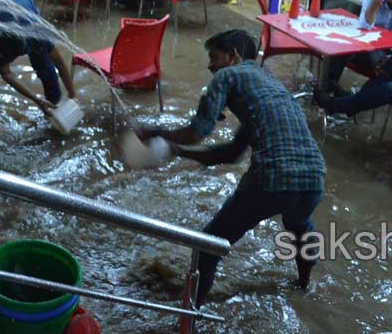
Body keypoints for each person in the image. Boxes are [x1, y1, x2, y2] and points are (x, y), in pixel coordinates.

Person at [138, 29, 325, 305]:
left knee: (207, 246)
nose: (210, 66)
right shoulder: (271, 87)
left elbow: (198, 130)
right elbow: (231, 153)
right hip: (315, 177)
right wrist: (180, 152)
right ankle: (304, 286)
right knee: (299, 224)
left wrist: (155, 132)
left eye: (213, 57)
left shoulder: (228, 75)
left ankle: (189, 315)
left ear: (233, 55)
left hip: (273, 178)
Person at [0, 0, 77, 132]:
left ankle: (53, 108)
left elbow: (59, 63)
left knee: (46, 69)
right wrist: (37, 100)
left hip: (24, 4)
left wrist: (73, 95)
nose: (9, 62)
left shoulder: (37, 35)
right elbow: (7, 75)